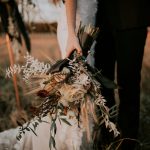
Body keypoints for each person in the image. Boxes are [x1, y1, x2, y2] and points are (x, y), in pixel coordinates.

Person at [94, 0, 150, 149]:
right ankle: (106, 135)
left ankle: (128, 141)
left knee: (129, 83)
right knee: (101, 81)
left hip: (133, 16)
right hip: (99, 17)